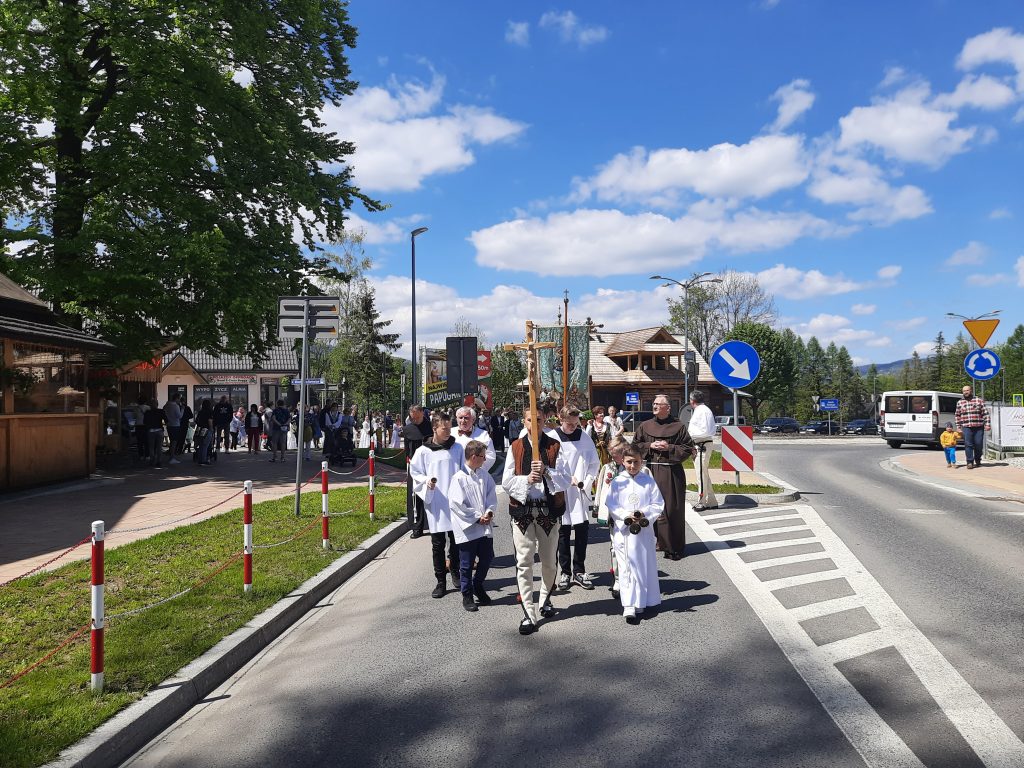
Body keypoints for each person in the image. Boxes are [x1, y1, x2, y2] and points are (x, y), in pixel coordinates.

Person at [502, 405, 571, 636]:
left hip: (548, 511)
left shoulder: (555, 446)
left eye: (538, 419)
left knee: (549, 562)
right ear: (524, 422)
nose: (534, 424)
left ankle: (544, 599)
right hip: (523, 512)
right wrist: (527, 479)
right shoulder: (516, 447)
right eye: (530, 420)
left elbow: (565, 479)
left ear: (544, 421)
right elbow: (506, 481)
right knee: (524, 562)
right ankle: (528, 613)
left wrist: (547, 471)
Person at [605, 443, 665, 624]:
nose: (632, 466)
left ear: (642, 461)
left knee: (642, 566)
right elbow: (612, 504)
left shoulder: (648, 481)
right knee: (626, 568)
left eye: (636, 462)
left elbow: (658, 503)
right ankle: (629, 604)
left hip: (643, 532)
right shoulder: (618, 482)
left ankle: (641, 601)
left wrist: (643, 514)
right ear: (623, 461)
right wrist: (626, 516)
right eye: (629, 462)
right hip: (624, 533)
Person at [632, 393, 695, 560]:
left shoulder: (678, 426)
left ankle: (673, 546)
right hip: (650, 471)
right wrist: (649, 445)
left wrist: (669, 448)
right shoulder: (645, 426)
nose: (654, 406)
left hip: (671, 472)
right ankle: (654, 542)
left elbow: (688, 448)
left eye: (658, 404)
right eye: (654, 403)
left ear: (667, 408)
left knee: (672, 509)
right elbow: (635, 446)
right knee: (650, 508)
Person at [409, 411, 464, 598]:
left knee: (456, 541)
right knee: (438, 544)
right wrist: (427, 482)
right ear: (434, 428)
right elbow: (415, 472)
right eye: (444, 428)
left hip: (454, 501)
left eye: (449, 428)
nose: (448, 432)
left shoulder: (457, 448)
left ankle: (455, 571)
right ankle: (440, 581)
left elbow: (464, 471)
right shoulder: (423, 452)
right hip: (436, 502)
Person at [552, 405, 600, 591]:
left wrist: (586, 482)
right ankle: (565, 571)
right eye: (569, 424)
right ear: (560, 419)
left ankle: (579, 570)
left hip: (579, 491)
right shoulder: (553, 437)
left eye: (576, 423)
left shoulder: (584, 437)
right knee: (563, 532)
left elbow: (594, 464)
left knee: (581, 530)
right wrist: (564, 479)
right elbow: (549, 464)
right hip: (561, 490)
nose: (573, 427)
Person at [448, 439, 497, 612]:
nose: (485, 459)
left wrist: (489, 513)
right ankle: (467, 594)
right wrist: (476, 518)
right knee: (467, 564)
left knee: (487, 557)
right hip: (468, 528)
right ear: (474, 457)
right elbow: (456, 504)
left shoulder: (484, 475)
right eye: (483, 456)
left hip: (484, 527)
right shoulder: (459, 478)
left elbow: (491, 497)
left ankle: (478, 584)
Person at [403, 405, 434, 538]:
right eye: (412, 418)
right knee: (415, 496)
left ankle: (434, 524)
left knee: (433, 494)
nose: (414, 420)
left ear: (422, 413)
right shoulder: (408, 429)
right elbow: (407, 449)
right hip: (415, 466)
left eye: (417, 417)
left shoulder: (432, 427)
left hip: (431, 465)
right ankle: (417, 527)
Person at [686, 390, 719, 512]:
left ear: (692, 400)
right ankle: (711, 501)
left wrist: (690, 436)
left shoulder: (702, 411)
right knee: (703, 474)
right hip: (701, 444)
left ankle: (702, 501)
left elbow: (705, 431)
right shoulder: (702, 410)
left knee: (700, 474)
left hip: (702, 444)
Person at [954, 384, 991, 469]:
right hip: (966, 427)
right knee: (968, 444)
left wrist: (987, 424)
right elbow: (957, 415)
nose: (965, 392)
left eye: (967, 390)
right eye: (964, 391)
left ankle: (978, 459)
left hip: (978, 426)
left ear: (971, 391)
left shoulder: (979, 400)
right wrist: (958, 427)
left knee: (978, 444)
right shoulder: (960, 402)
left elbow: (985, 413)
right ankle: (969, 462)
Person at [453, 406, 496, 474]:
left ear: (473, 420)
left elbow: (490, 455)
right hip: (454, 473)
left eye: (466, 418)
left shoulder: (483, 435)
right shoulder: (450, 433)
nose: (463, 421)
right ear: (456, 419)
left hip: (476, 474)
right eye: (460, 418)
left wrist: (476, 470)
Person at [143, 398, 167, 469]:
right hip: (159, 430)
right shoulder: (161, 411)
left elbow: (144, 422)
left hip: (151, 431)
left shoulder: (147, 412)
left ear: (150, 405)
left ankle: (152, 461)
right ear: (157, 404)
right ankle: (159, 461)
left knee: (151, 447)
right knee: (159, 447)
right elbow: (166, 420)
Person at [193, 399, 214, 466]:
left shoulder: (200, 412)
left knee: (201, 444)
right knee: (205, 445)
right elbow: (210, 421)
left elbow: (196, 420)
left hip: (200, 429)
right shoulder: (210, 412)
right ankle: (203, 460)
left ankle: (200, 459)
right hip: (206, 429)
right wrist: (211, 428)